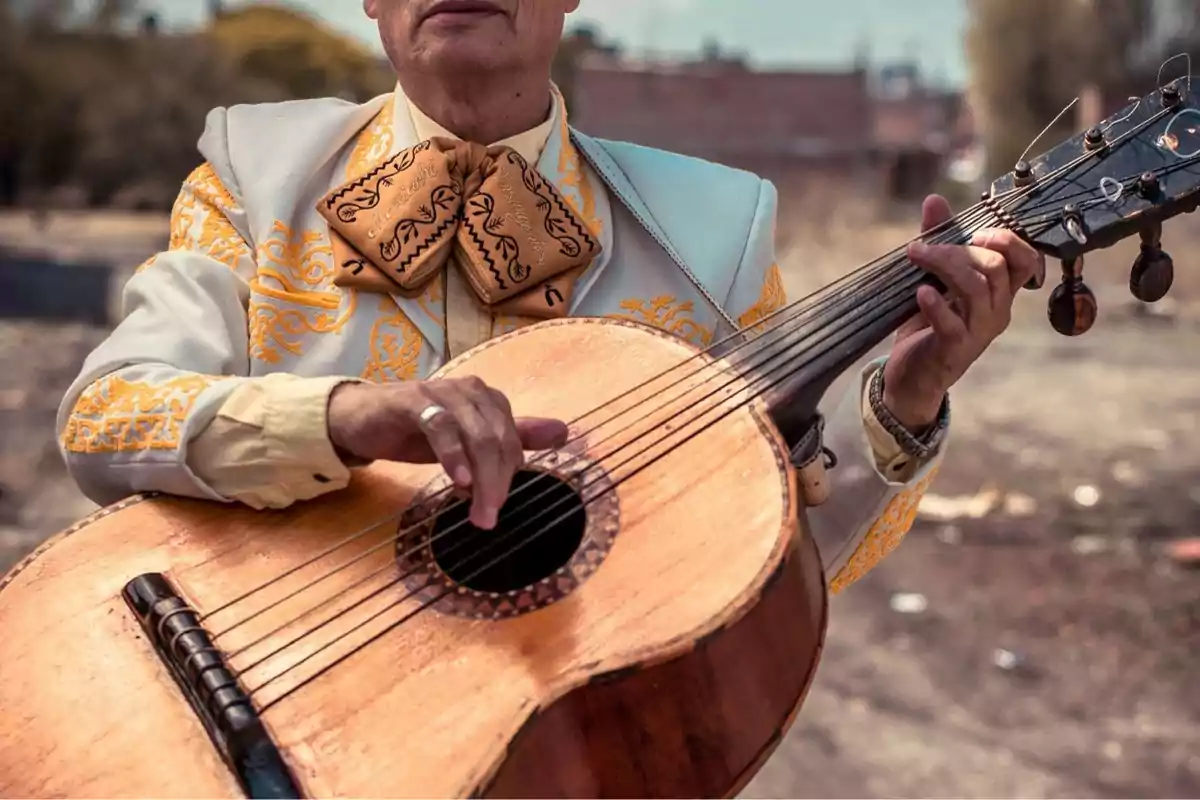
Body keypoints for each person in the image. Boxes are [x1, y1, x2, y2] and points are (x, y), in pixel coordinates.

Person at [56, 0, 1043, 595]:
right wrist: (343, 417)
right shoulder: (250, 172)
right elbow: (104, 418)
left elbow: (781, 566)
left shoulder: (712, 231)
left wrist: (902, 404)